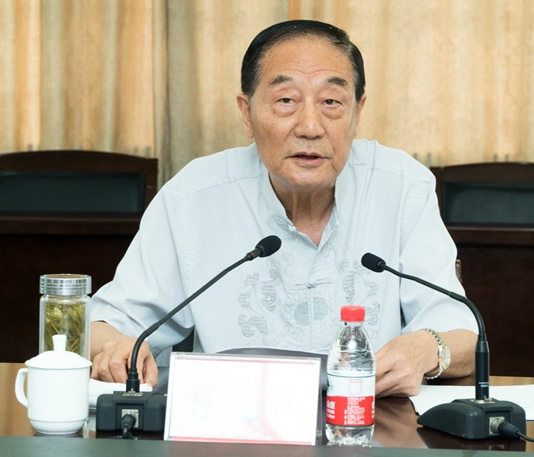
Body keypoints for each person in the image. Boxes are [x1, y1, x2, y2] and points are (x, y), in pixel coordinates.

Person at [90, 20, 477, 397]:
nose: (310, 126)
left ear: (357, 113)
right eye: (286, 101)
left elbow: (464, 337)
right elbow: (102, 325)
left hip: (367, 422)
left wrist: (428, 349)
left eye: (330, 102)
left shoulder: (402, 186)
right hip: (233, 422)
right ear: (247, 113)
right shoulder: (193, 197)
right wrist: (117, 347)